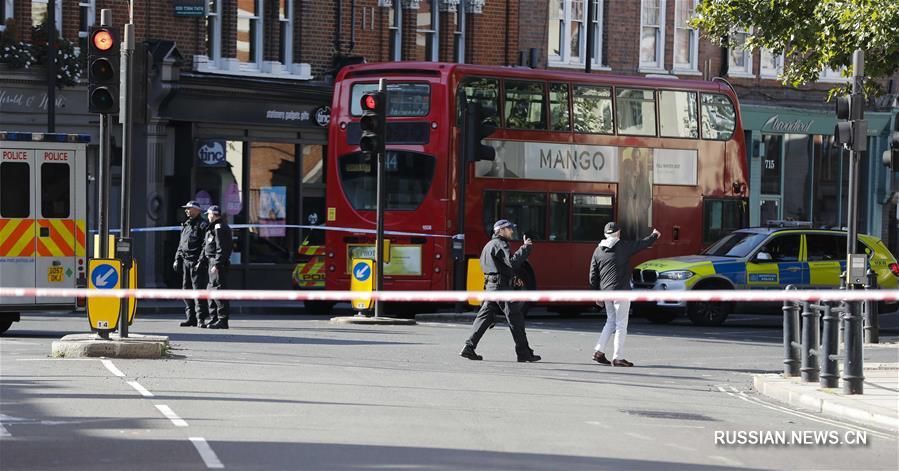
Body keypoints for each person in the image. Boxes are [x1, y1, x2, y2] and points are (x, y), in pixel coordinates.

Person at [461, 219, 541, 362]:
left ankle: (469, 347)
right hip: (501, 288)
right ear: (501, 230)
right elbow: (513, 262)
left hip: (491, 287)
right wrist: (526, 248)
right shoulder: (501, 244)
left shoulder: (488, 245)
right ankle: (524, 353)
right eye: (509, 228)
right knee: (515, 318)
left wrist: (513, 277)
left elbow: (500, 267)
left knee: (484, 318)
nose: (511, 231)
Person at [588, 221, 660, 367]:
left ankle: (599, 351)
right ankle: (618, 357)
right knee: (621, 324)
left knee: (610, 321)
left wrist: (596, 294)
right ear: (618, 233)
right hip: (621, 291)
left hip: (606, 292)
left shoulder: (597, 251)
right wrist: (655, 235)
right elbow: (641, 244)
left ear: (605, 234)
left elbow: (592, 275)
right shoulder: (623, 247)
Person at [173, 201, 209, 327]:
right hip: (186, 261)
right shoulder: (186, 224)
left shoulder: (203, 225)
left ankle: (201, 319)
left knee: (198, 291)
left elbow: (206, 246)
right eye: (186, 209)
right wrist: (177, 258)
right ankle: (191, 318)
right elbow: (181, 244)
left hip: (196, 262)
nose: (186, 211)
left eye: (189, 208)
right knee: (186, 290)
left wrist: (200, 261)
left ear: (197, 210)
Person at [198, 205, 232, 329]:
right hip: (211, 261)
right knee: (211, 291)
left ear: (213, 214)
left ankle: (222, 320)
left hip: (217, 263)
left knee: (218, 291)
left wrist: (217, 264)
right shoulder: (213, 227)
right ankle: (214, 318)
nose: (207, 216)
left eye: (209, 214)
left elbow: (222, 248)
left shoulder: (219, 227)